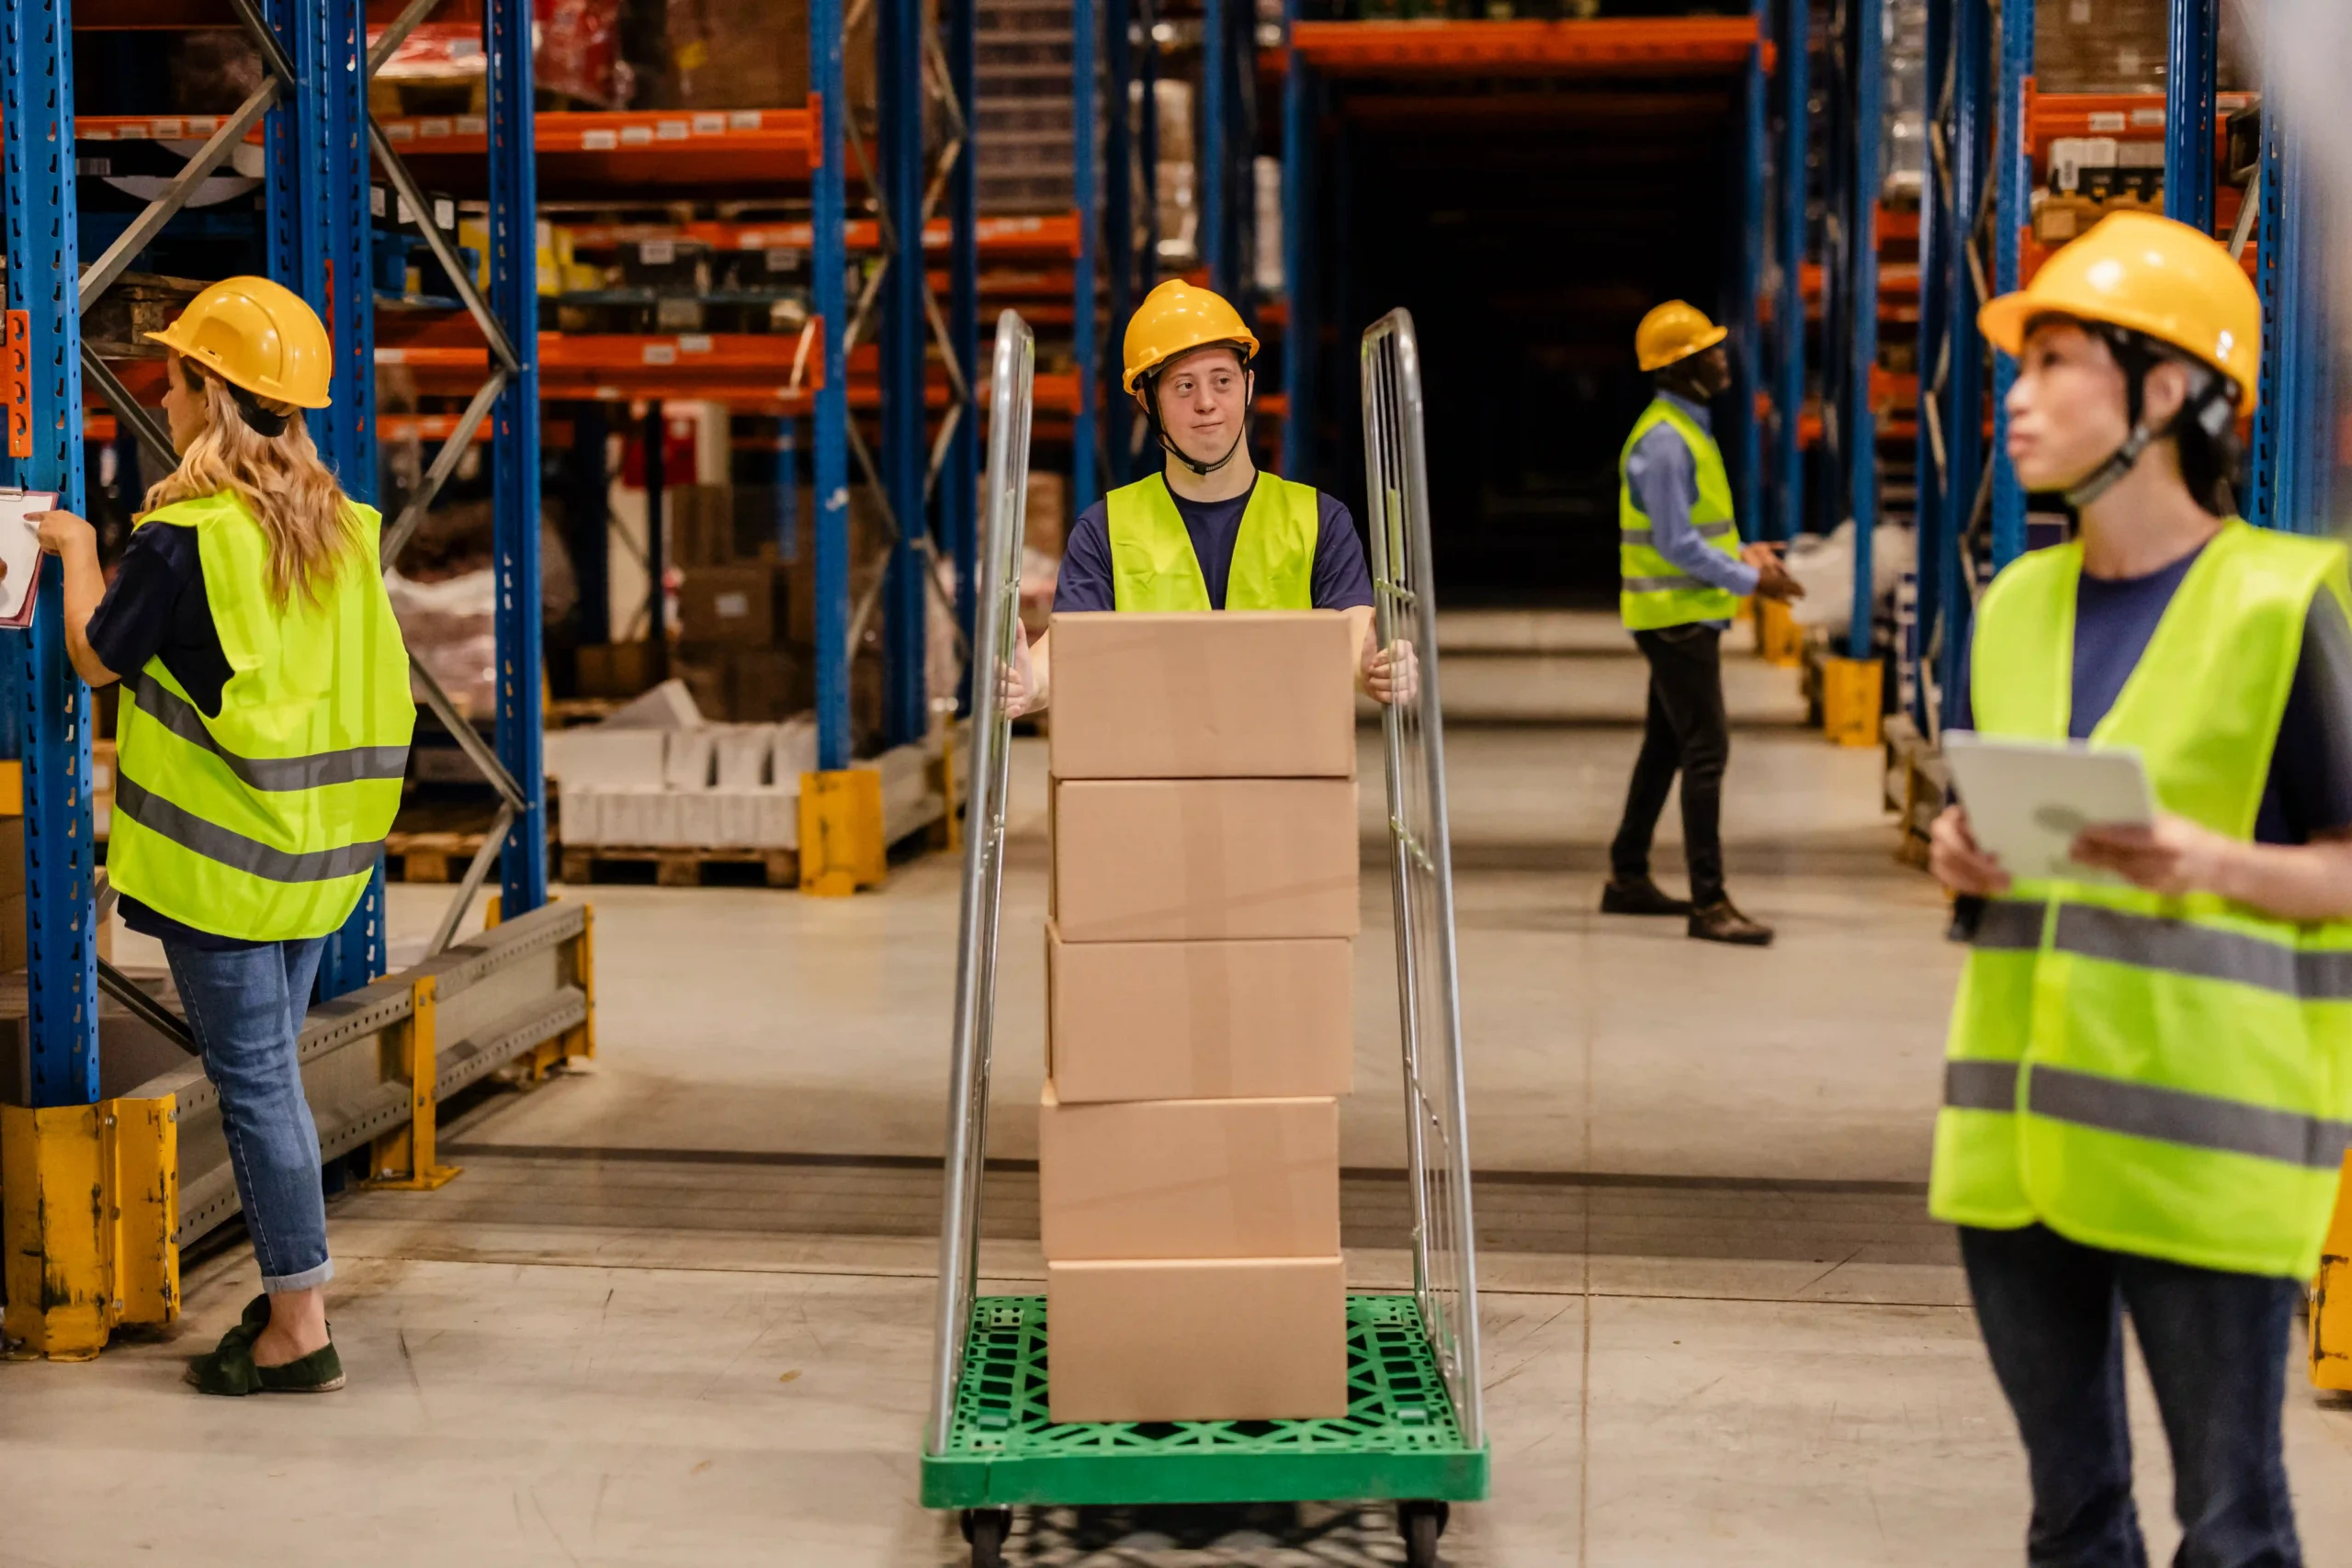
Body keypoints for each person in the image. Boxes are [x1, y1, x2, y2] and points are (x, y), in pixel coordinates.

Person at [1928, 211, 2352, 1565]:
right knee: (2073, 1519)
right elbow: (1992, 844)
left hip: (2204, 1149)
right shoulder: (2013, 606)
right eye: (2021, 362)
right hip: (2018, 1149)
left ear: (2167, 390)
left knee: (2229, 1525)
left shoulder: (2289, 604)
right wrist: (1958, 850)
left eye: (2056, 359)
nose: (2018, 392)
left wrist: (2211, 860)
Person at [33, 276, 415, 1395]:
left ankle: (300, 1320)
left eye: (177, 372)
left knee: (257, 1090)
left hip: (224, 870)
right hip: (320, 858)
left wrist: (71, 547)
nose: (160, 385)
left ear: (211, 395)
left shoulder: (182, 538)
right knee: (272, 1080)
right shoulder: (340, 526)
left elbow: (98, 657)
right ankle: (293, 1290)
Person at [1001, 278, 1414, 714]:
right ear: (1147, 401)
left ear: (1249, 385)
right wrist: (1032, 685)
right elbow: (1071, 645)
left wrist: (1374, 666)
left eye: (1222, 381)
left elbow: (1349, 628)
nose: (1206, 403)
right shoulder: (1105, 528)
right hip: (1154, 767)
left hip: (1282, 767)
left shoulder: (1318, 518)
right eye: (1183, 386)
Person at [1601, 300, 1803, 946]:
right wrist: (1753, 582)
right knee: (1707, 751)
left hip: (1685, 612)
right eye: (1710, 352)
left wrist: (1746, 554)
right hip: (1676, 617)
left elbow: (1698, 528)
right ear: (1682, 368)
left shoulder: (1687, 428)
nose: (1723, 359)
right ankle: (1709, 902)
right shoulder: (1664, 441)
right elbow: (1675, 542)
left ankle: (1627, 876)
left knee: (1667, 745)